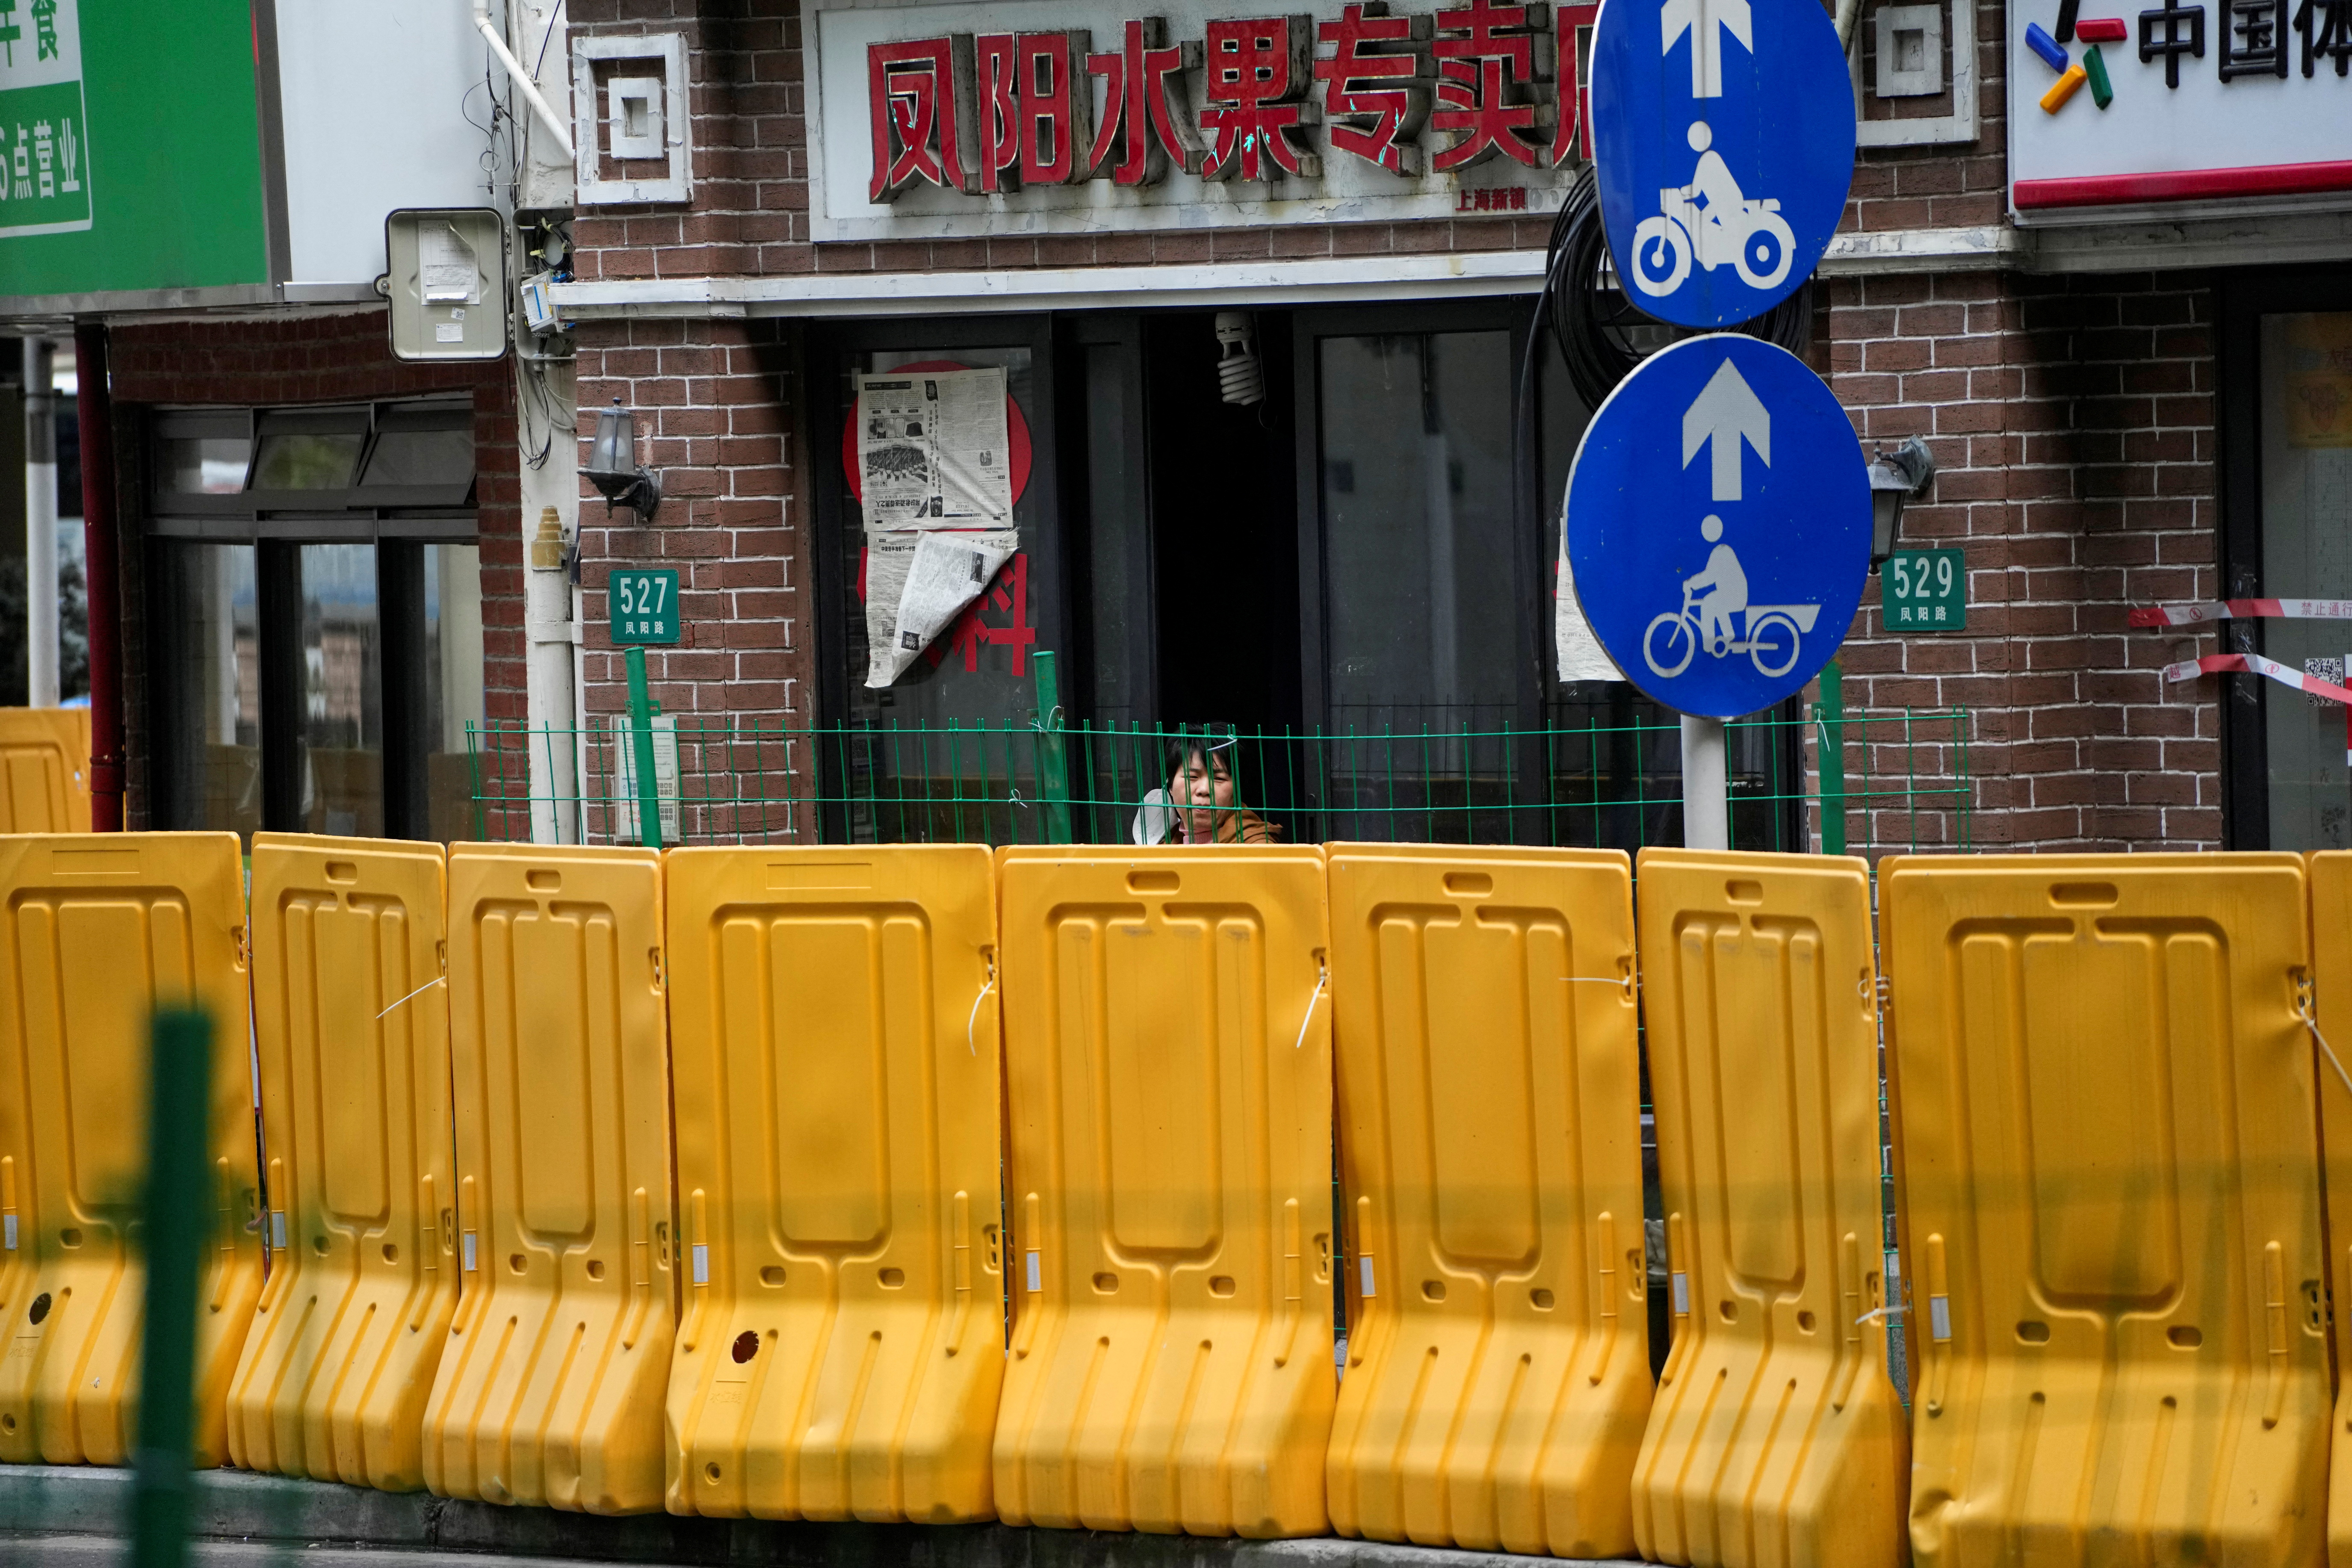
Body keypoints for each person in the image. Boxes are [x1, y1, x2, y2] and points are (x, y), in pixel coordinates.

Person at [1163, 735, 1283, 845]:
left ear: (1236, 790)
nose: (1204, 790)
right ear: (1171, 786)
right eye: (1192, 777)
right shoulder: (1162, 844)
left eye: (1219, 779)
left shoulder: (1256, 847)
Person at [1684, 514, 1748, 656]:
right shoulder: (1721, 550)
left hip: (1736, 595)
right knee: (1715, 601)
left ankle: (1708, 647)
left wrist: (1691, 583)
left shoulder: (1721, 552)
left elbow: (1709, 576)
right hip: (1732, 594)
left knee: (1708, 603)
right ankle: (1729, 635)